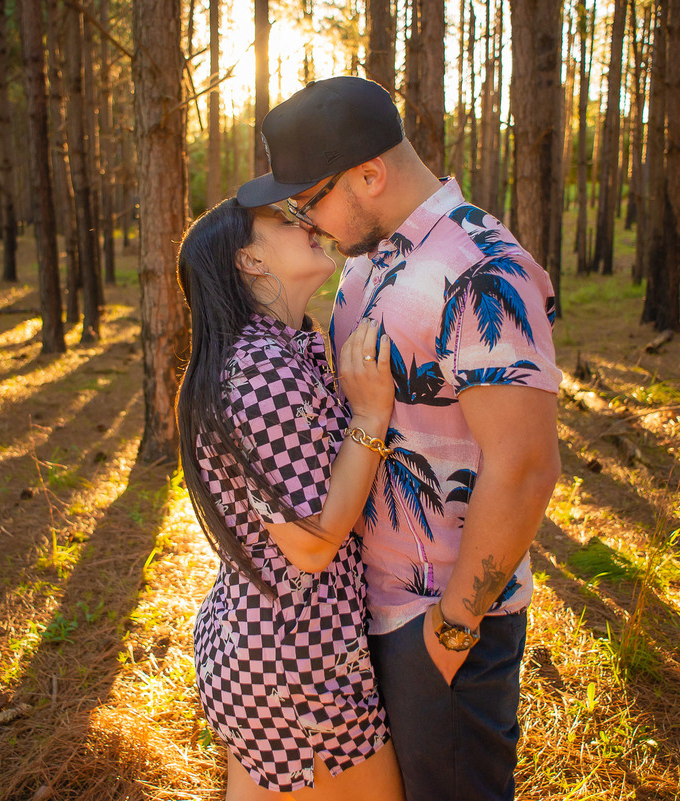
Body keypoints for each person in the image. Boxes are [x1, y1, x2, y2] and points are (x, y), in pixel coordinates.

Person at [238, 76, 562, 801]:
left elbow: (527, 466)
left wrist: (452, 630)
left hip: (440, 619)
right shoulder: (366, 261)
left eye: (310, 198)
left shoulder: (481, 269)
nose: (306, 219)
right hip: (361, 611)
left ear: (369, 175)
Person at [175, 198, 406, 801]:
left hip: (275, 650)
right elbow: (311, 544)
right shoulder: (260, 371)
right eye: (285, 220)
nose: (308, 221)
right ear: (250, 259)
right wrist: (371, 415)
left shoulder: (284, 351)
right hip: (299, 664)